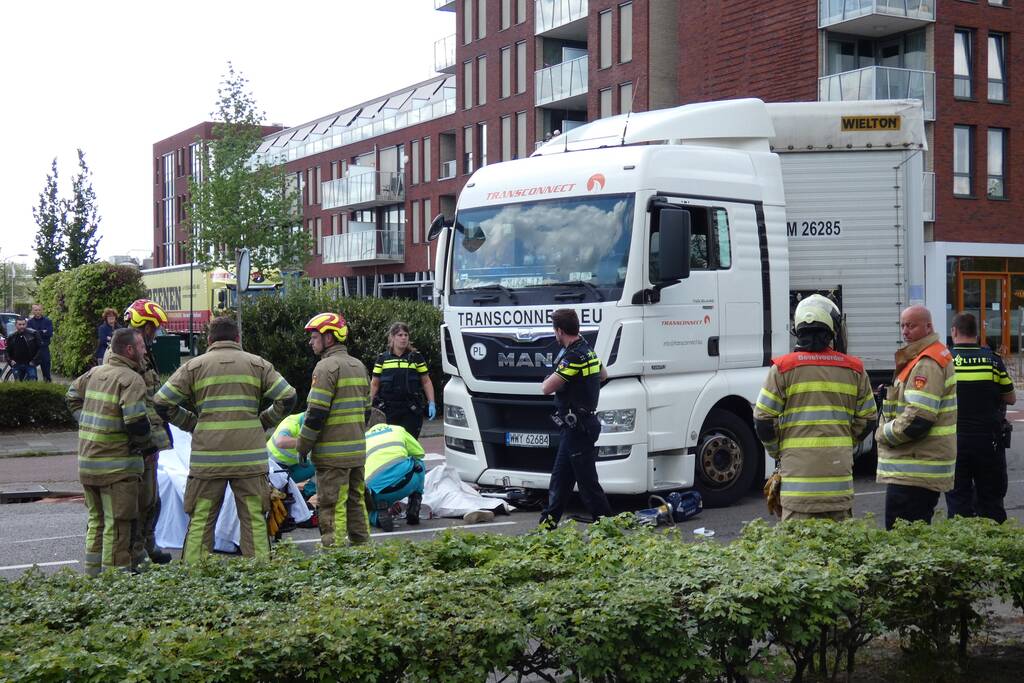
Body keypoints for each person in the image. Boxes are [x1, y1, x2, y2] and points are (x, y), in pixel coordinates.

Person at [154, 316, 296, 562]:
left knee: (201, 518)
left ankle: (194, 575)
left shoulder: (194, 367)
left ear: (209, 340)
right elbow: (288, 397)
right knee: (253, 518)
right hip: (249, 459)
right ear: (238, 338)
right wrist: (263, 421)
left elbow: (161, 401)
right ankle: (263, 573)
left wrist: (190, 423)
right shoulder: (258, 364)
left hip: (208, 459)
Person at [754, 295, 877, 521]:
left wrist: (777, 450)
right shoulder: (855, 370)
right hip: (838, 486)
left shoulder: (782, 369)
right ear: (832, 329)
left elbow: (763, 420)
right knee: (838, 551)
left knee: (798, 554)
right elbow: (869, 419)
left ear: (798, 328)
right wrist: (845, 442)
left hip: (797, 490)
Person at [65, 328, 155, 575]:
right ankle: (116, 581)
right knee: (118, 526)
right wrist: (149, 445)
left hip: (88, 463)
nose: (145, 350)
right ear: (129, 350)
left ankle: (93, 577)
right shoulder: (131, 379)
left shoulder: (94, 373)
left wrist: (87, 422)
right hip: (117, 467)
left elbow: (71, 396)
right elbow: (136, 422)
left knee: (97, 522)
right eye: (141, 346)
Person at [876, 304, 957, 530]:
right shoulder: (923, 357)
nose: (905, 331)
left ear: (928, 326)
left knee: (902, 539)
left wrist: (883, 434)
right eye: (903, 325)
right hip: (915, 466)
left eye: (911, 325)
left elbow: (918, 419)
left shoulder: (927, 362)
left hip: (913, 468)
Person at [296, 312, 371, 547]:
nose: (311, 342)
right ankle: (363, 548)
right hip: (356, 452)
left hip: (332, 456)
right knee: (356, 501)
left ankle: (334, 554)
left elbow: (316, 414)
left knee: (331, 503)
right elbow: (367, 411)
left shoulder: (325, 367)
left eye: (315, 337)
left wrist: (302, 445)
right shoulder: (358, 366)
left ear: (329, 338)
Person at [538, 308, 613, 528]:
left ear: (560, 331)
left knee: (588, 485)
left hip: (578, 428)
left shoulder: (573, 356)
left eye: (555, 331)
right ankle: (546, 528)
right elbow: (603, 375)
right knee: (560, 481)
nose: (555, 335)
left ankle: (608, 530)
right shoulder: (587, 350)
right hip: (577, 427)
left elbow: (546, 388)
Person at [115, 299, 174, 565]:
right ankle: (137, 552)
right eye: (153, 328)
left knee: (152, 500)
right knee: (142, 502)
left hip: (151, 439)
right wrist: (148, 444)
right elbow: (139, 407)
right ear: (142, 327)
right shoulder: (128, 361)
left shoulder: (143, 356)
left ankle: (148, 544)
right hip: (140, 443)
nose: (156, 333)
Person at [946, 312, 1016, 522]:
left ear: (954, 331)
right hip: (989, 441)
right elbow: (1011, 398)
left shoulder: (946, 361)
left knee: (958, 500)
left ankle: (962, 548)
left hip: (954, 440)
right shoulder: (993, 361)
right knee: (991, 501)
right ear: (976, 334)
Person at [369, 322, 436, 438]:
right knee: (391, 446)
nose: (404, 338)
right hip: (389, 411)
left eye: (406, 335)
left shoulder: (416, 357)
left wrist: (432, 403)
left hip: (410, 410)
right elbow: (375, 384)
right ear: (393, 337)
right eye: (400, 335)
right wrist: (368, 404)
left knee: (410, 445)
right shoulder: (383, 359)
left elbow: (426, 381)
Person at [363, 410, 426, 532]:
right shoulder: (397, 430)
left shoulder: (362, 439)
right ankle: (415, 501)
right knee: (419, 463)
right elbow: (420, 453)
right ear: (386, 422)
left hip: (377, 491)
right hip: (408, 482)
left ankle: (377, 516)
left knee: (366, 511)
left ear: (367, 426)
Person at [267, 413, 318, 501]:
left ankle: (305, 496)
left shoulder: (316, 425)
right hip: (272, 469)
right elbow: (280, 441)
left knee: (322, 464)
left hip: (291, 468)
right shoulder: (292, 422)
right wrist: (305, 441)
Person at [6, 317, 42, 381]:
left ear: (26, 324)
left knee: (32, 382)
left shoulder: (33, 334)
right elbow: (7, 351)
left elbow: (40, 348)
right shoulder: (11, 337)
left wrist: (34, 361)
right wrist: (10, 361)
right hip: (17, 364)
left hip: (30, 364)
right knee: (18, 384)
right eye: (20, 324)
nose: (22, 326)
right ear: (16, 325)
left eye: (23, 324)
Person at [27, 304, 53, 382]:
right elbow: (29, 335)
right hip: (33, 350)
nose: (37, 312)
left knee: (46, 374)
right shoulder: (29, 322)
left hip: (44, 349)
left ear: (42, 310)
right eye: (35, 310)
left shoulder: (47, 321)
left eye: (39, 310)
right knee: (32, 373)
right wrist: (42, 332)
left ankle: (48, 389)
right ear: (32, 311)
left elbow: (49, 333)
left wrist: (36, 333)